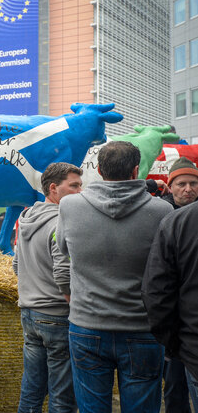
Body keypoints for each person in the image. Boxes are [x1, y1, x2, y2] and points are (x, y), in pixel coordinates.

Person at [56, 141, 172, 413]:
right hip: (142, 327)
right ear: (135, 171)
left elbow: (62, 249)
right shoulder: (162, 212)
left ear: (98, 169)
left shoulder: (70, 206)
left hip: (87, 325)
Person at [13, 163, 83, 413]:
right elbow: (64, 272)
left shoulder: (26, 218)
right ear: (53, 188)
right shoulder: (60, 222)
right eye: (73, 186)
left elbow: (16, 265)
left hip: (29, 315)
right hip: (56, 316)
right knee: (62, 396)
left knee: (31, 389)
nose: (80, 191)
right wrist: (72, 304)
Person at [142, 157, 198, 413]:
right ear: (170, 186)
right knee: (174, 388)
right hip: (176, 328)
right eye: (182, 184)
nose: (188, 189)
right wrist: (169, 337)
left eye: (194, 183)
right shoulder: (158, 215)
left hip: (188, 329)